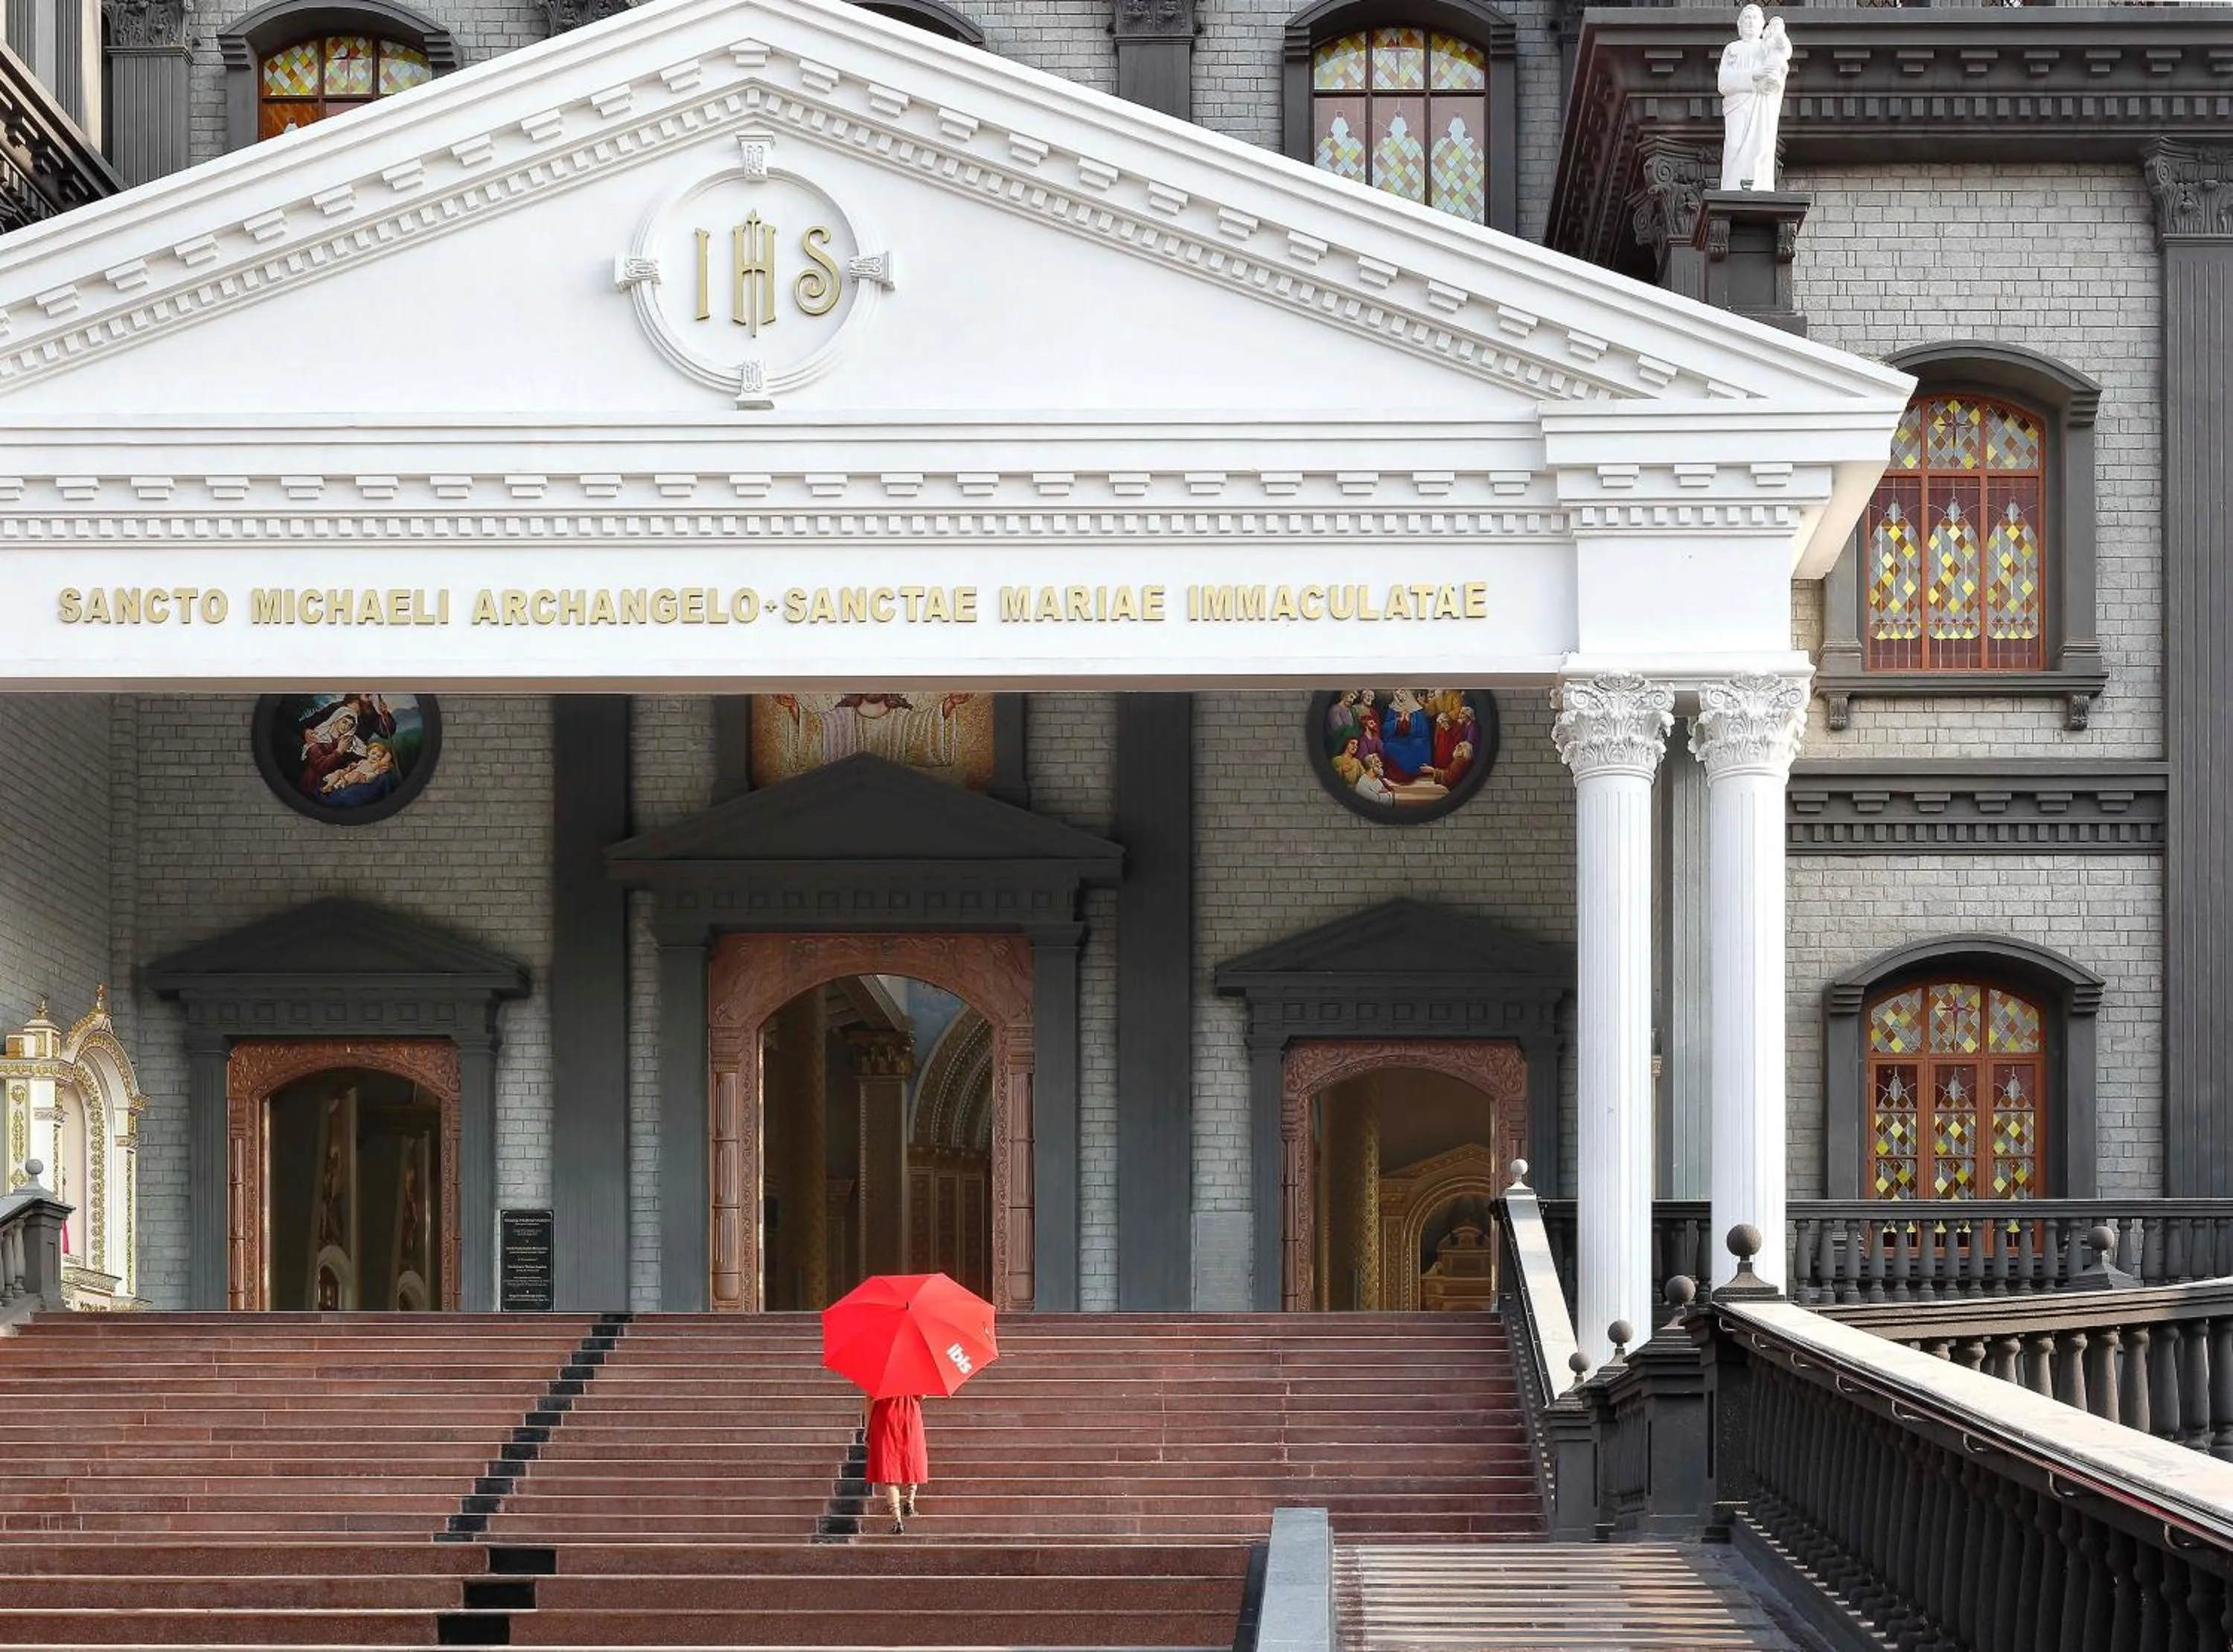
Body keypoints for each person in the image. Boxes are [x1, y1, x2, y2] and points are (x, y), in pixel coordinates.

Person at [864, 1392, 929, 1534]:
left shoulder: (879, 1372)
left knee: (889, 1467)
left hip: (885, 1417)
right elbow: (922, 1396)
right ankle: (909, 1502)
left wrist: (867, 1428)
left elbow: (870, 1399)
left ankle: (897, 1520)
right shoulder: (916, 1372)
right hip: (910, 1415)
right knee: (912, 1459)